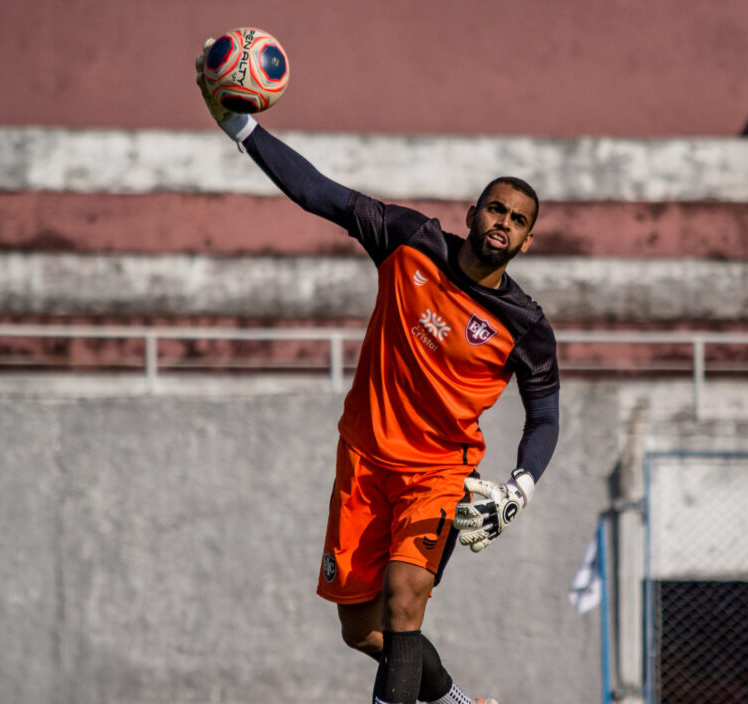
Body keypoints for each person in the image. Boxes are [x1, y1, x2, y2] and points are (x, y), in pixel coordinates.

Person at [196, 41, 560, 704]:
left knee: (405, 600)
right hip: (363, 462)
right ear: (472, 212)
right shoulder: (408, 239)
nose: (503, 222)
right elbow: (318, 194)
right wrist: (240, 126)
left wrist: (523, 486)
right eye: (496, 209)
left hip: (438, 475)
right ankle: (451, 700)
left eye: (518, 219)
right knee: (362, 630)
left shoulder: (526, 324)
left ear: (528, 240)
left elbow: (546, 415)